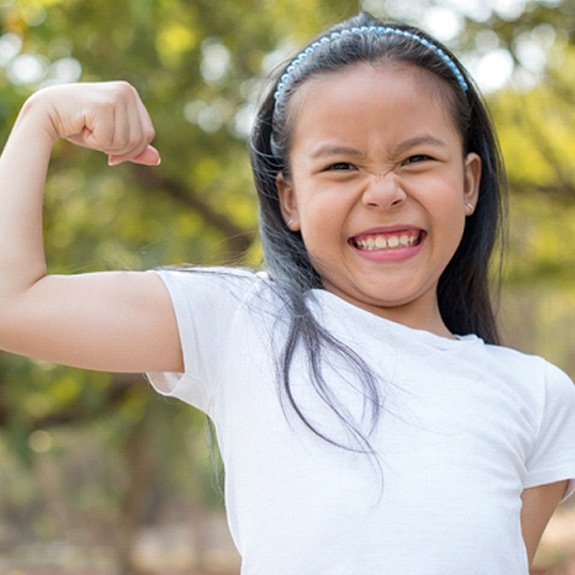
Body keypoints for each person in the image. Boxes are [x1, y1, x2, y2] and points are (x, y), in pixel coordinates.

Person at [0, 10, 574, 574]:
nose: (383, 191)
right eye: (342, 166)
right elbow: (12, 304)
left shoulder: (538, 395)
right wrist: (39, 117)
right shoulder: (239, 321)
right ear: (289, 200)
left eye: (417, 158)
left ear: (469, 181)